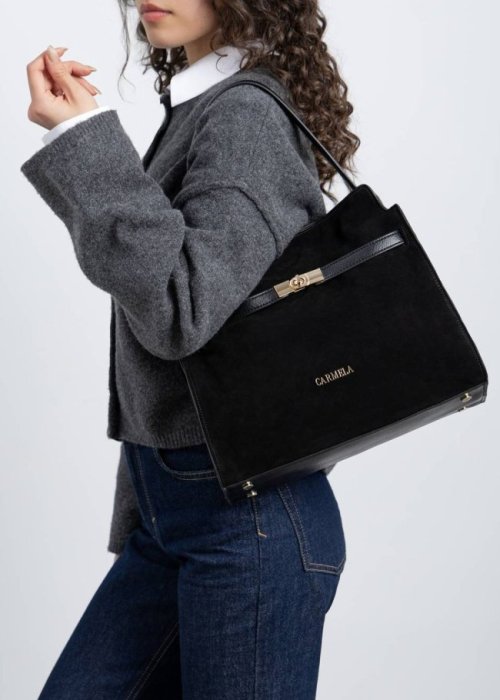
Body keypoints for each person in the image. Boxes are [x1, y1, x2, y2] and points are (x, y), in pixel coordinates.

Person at [20, 1, 360, 697]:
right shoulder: (203, 107)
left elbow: (183, 309)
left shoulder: (244, 116)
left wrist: (83, 138)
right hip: (183, 522)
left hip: (249, 527)